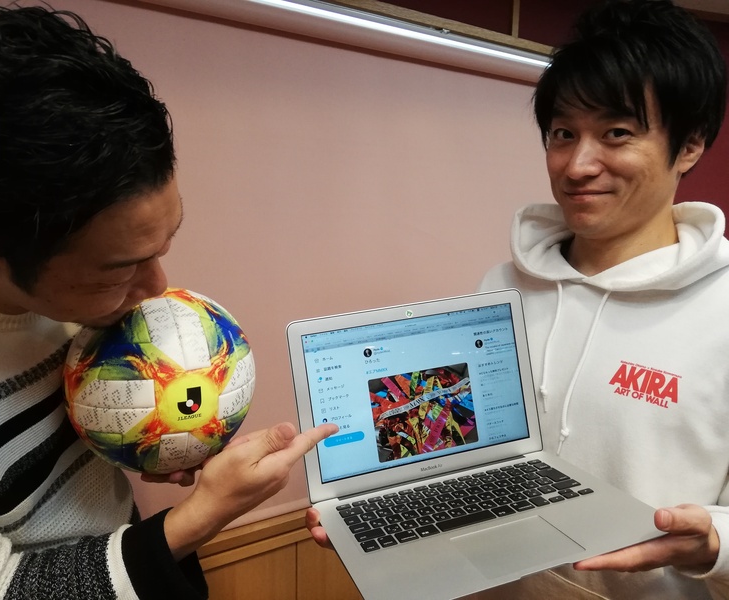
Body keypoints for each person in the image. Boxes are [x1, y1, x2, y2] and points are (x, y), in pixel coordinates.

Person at [306, 0, 729, 598]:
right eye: (563, 134)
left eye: (616, 133)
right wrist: (383, 499)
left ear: (689, 145)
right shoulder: (499, 287)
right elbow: (460, 448)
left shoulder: (721, 311)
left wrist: (715, 541)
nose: (578, 165)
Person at [0, 6, 336, 599]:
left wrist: (140, 442)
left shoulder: (49, 276)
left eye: (164, 246)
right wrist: (207, 512)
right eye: (120, 269)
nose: (156, 288)